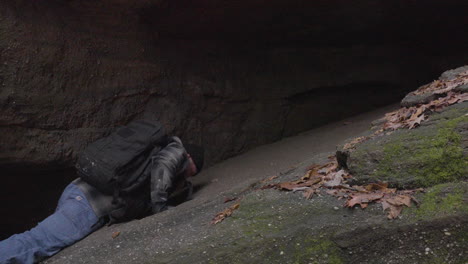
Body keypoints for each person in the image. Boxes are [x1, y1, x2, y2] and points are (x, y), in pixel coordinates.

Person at [0, 137, 204, 264]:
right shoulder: (176, 150)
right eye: (188, 171)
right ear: (188, 155)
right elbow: (164, 164)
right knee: (36, 242)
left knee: (42, 243)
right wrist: (163, 208)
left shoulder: (152, 156)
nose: (185, 175)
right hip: (87, 204)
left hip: (81, 197)